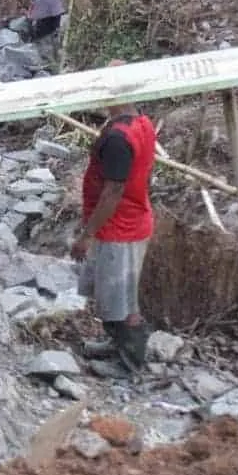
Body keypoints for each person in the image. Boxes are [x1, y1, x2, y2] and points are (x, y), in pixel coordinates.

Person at [71, 69, 158, 374]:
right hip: (131, 220)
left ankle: (129, 362)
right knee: (117, 295)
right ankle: (117, 345)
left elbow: (113, 191)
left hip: (121, 228)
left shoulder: (119, 140)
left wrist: (86, 235)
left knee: (122, 299)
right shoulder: (141, 122)